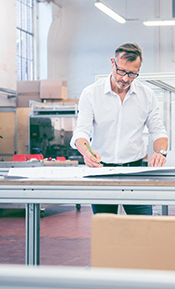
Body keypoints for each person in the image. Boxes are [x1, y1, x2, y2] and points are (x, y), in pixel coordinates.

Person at [70, 43, 168, 215]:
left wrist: (160, 152)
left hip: (135, 171)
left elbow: (158, 131)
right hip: (102, 171)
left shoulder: (147, 95)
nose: (125, 78)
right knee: (106, 231)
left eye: (132, 74)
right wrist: (86, 153)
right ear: (112, 63)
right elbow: (81, 133)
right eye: (121, 71)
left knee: (143, 229)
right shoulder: (91, 93)